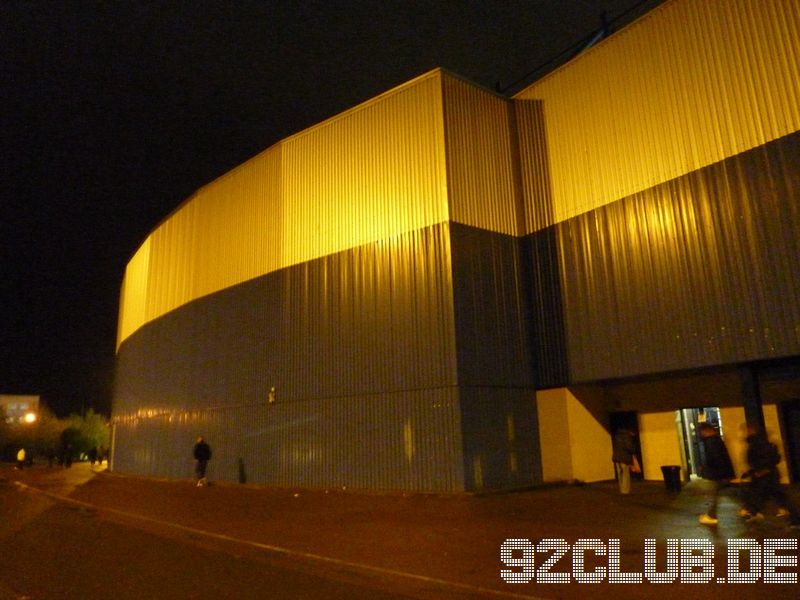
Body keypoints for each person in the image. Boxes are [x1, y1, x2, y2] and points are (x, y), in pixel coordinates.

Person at [740, 424, 800, 525]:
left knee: (760, 494)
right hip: (767, 474)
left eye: (747, 430)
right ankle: (754, 513)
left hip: (763, 475)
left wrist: (759, 470)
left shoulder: (757, 443)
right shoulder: (765, 442)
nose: (744, 432)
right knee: (776, 496)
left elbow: (762, 459)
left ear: (752, 430)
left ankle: (753, 512)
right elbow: (775, 458)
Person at [697, 422, 736, 525]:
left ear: (705, 431)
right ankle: (711, 515)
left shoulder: (711, 442)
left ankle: (711, 516)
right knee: (714, 494)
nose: (701, 434)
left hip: (716, 473)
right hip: (720, 472)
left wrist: (707, 468)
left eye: (701, 431)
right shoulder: (716, 439)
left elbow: (715, 458)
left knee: (712, 494)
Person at [612, 428, 640, 494]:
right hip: (624, 458)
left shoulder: (617, 437)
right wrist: (634, 450)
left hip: (616, 458)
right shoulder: (627, 437)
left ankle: (621, 489)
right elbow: (629, 447)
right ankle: (625, 490)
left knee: (620, 474)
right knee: (625, 474)